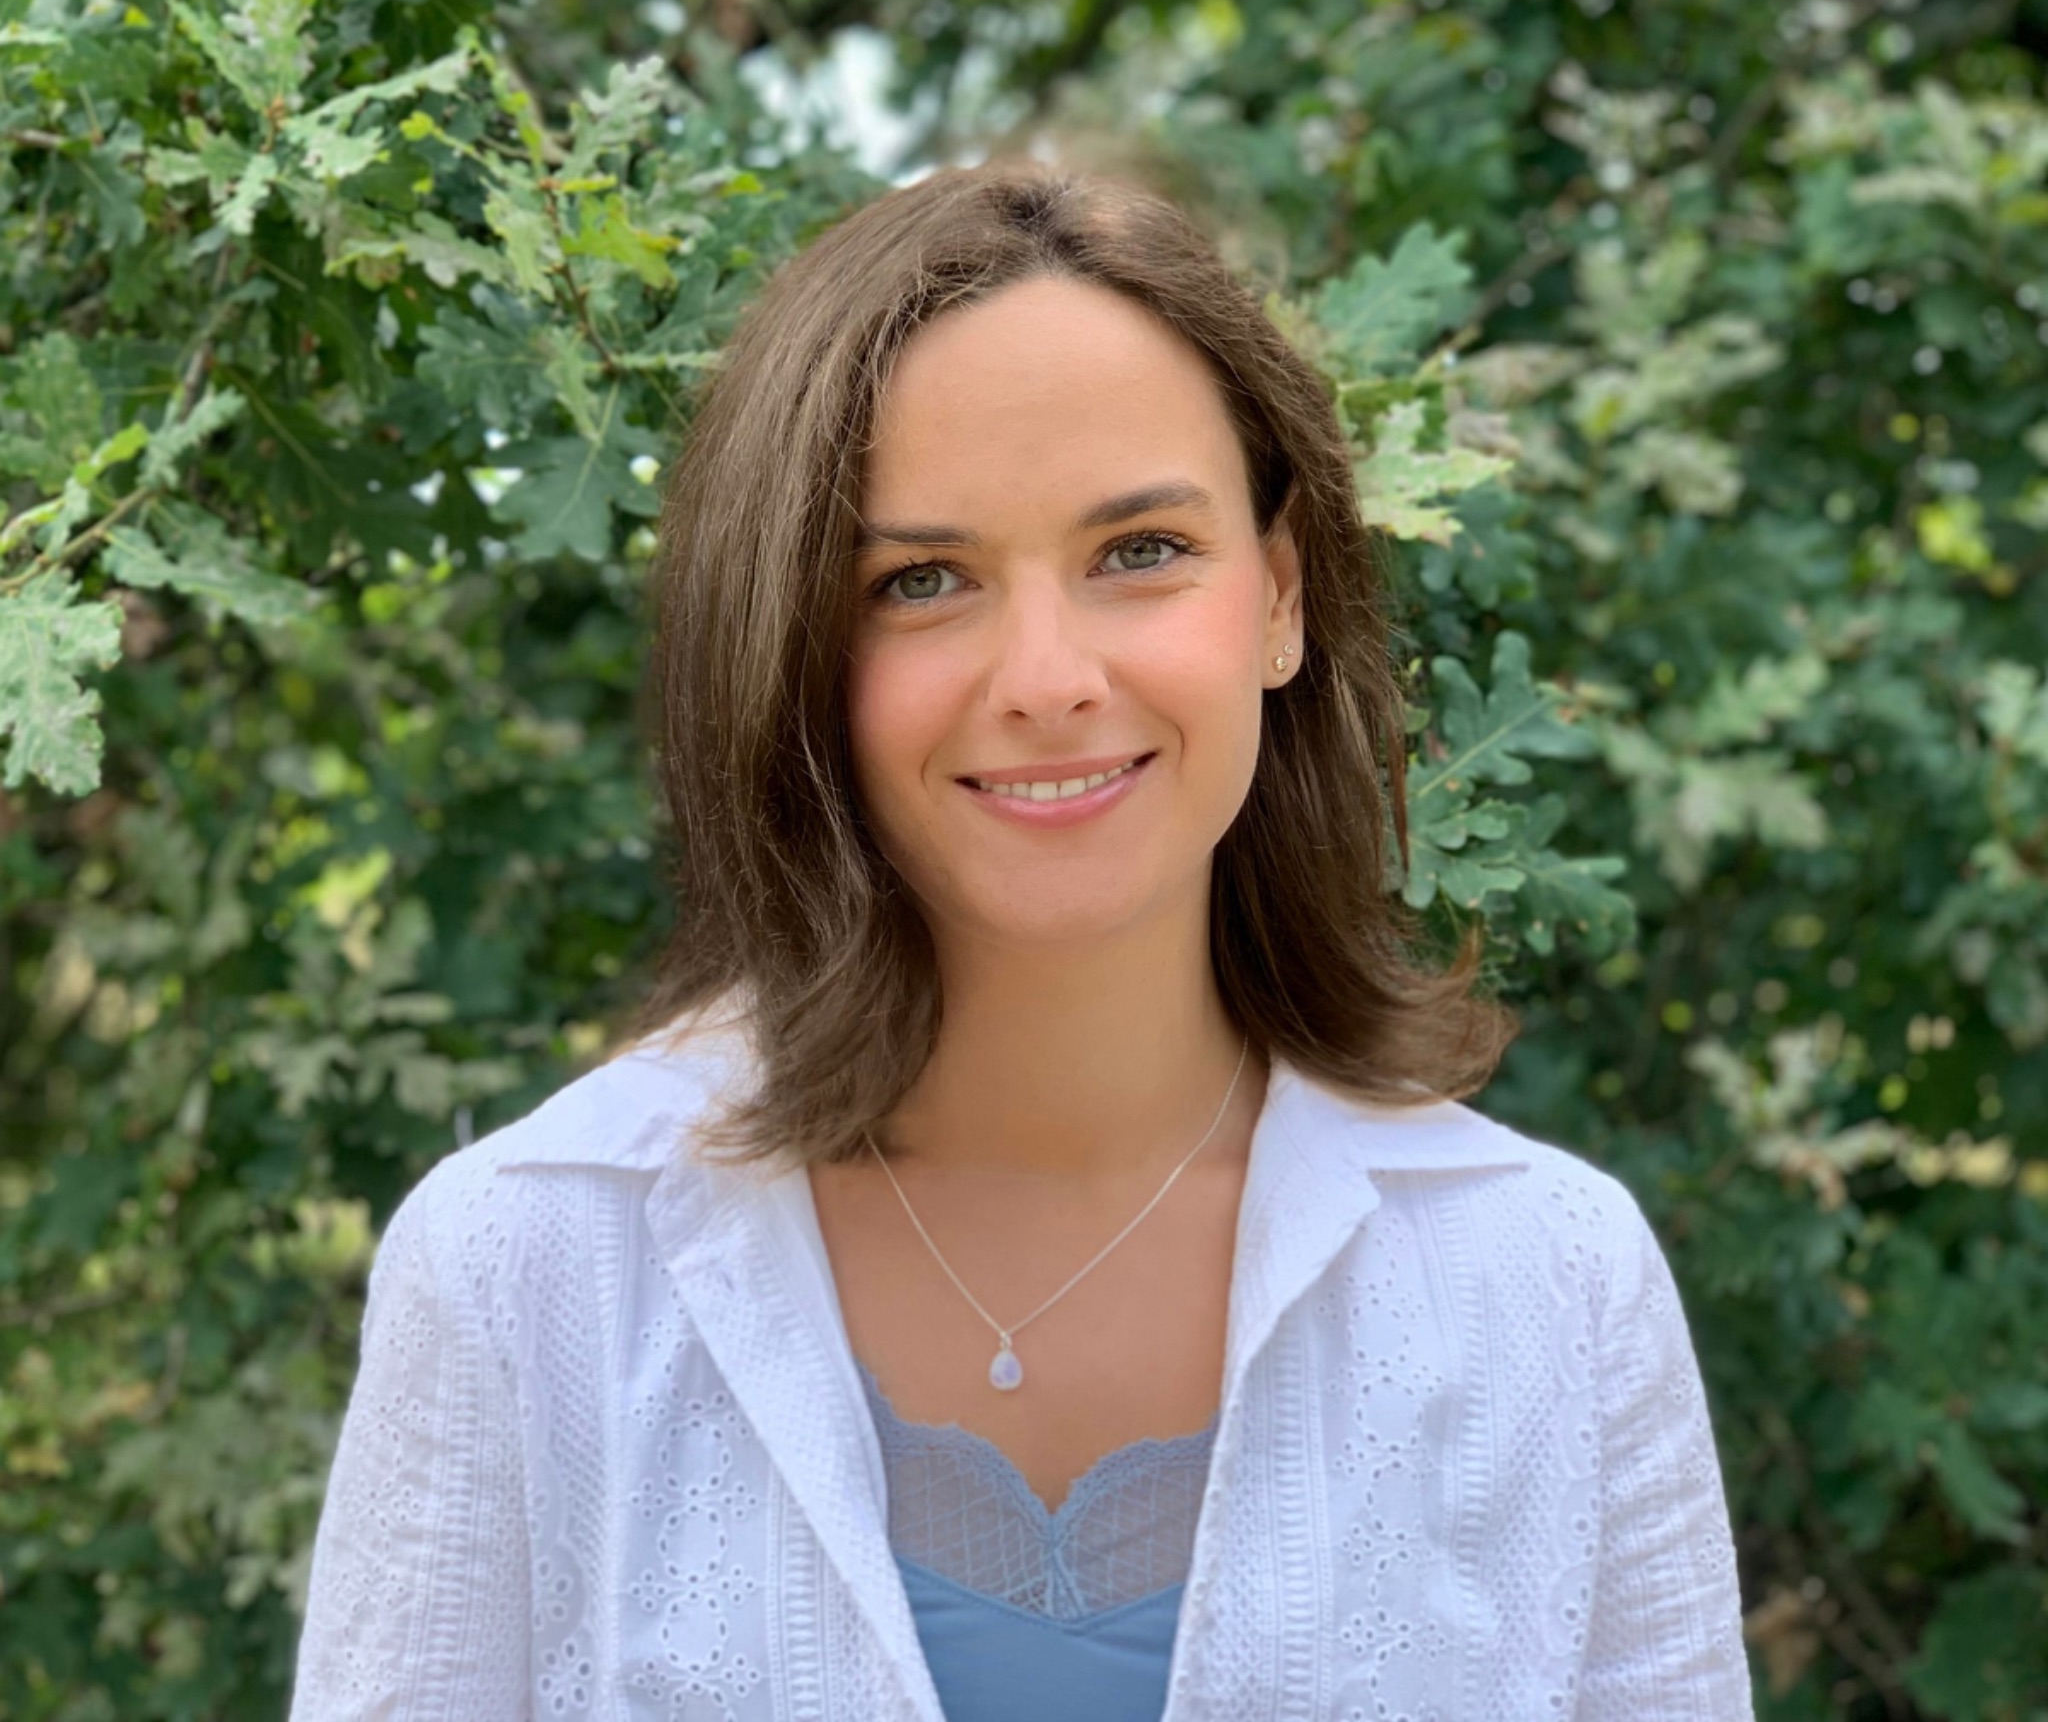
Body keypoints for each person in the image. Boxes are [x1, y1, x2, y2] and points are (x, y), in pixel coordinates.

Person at [288, 165, 1754, 1721]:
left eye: (1142, 551)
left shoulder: (1554, 1287)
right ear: (792, 649)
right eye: (922, 582)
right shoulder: (529, 1269)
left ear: (1279, 595)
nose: (1048, 678)